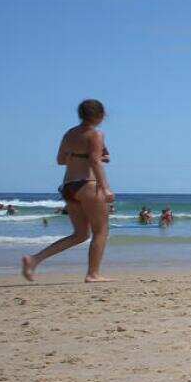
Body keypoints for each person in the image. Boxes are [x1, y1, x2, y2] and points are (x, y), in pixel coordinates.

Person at [21, 99, 114, 283]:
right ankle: (93, 274)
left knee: (80, 234)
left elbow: (61, 160)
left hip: (69, 186)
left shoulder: (69, 134)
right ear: (101, 115)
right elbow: (95, 162)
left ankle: (34, 260)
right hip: (88, 184)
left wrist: (84, 156)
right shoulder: (95, 134)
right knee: (101, 231)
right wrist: (105, 188)